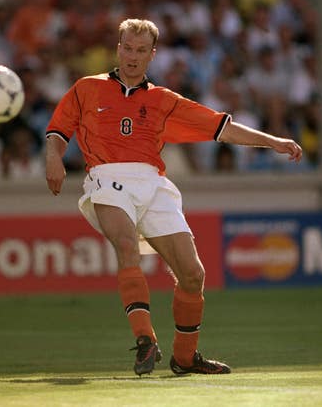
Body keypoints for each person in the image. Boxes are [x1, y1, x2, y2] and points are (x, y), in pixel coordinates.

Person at [45, 19, 302, 376]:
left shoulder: (164, 100)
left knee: (193, 274)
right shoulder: (86, 88)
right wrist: (53, 157)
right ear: (118, 48)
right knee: (125, 244)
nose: (132, 56)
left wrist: (273, 141)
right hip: (106, 177)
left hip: (152, 183)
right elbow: (58, 129)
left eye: (140, 50)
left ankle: (185, 358)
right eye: (127, 48)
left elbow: (221, 127)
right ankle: (145, 340)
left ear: (153, 54)